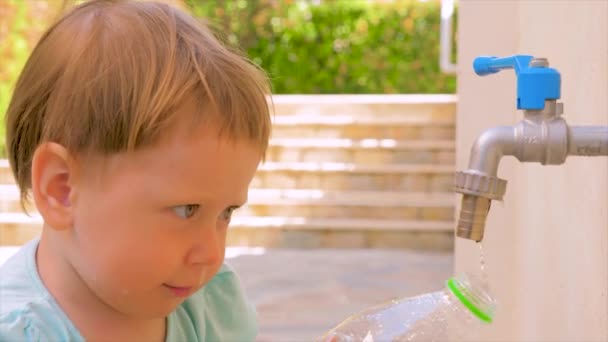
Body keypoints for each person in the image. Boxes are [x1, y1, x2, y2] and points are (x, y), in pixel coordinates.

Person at [0, 0, 272, 340]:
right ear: (63, 189)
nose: (212, 254)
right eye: (186, 210)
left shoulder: (210, 307)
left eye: (226, 213)